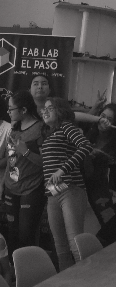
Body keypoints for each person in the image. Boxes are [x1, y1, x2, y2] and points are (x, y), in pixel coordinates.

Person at [41, 98, 93, 271]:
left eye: (50, 108)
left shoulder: (67, 127)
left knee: (75, 243)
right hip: (52, 195)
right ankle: (68, 286)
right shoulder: (51, 133)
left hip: (70, 190)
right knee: (60, 247)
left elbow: (85, 146)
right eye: (44, 109)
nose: (45, 111)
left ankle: (85, 284)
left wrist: (62, 170)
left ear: (61, 110)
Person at [0, 90, 46, 258]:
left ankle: (30, 273)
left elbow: (46, 163)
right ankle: (12, 271)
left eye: (11, 109)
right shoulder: (14, 130)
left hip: (31, 188)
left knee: (26, 235)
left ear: (23, 110)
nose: (8, 112)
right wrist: (3, 182)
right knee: (12, 232)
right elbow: (11, 158)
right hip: (11, 186)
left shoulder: (41, 129)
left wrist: (25, 152)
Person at [83, 103, 116, 246]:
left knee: (110, 223)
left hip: (101, 189)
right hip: (80, 185)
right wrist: (95, 109)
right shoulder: (87, 132)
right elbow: (72, 117)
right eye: (103, 116)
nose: (105, 121)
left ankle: (96, 248)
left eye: (110, 118)